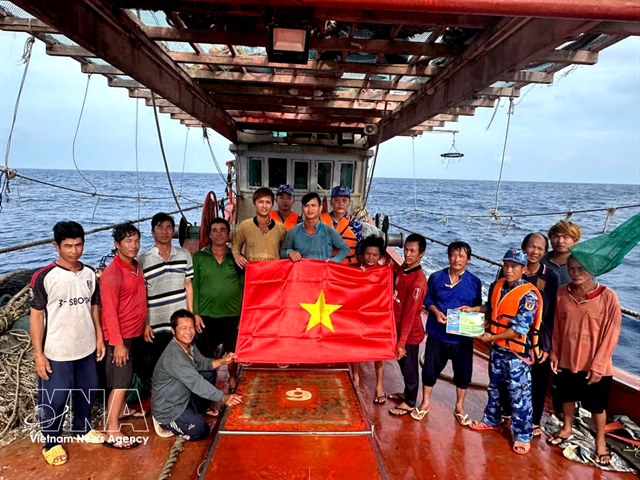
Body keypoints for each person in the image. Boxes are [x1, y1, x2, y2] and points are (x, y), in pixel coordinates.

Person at [30, 221, 106, 466]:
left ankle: (82, 428)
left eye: (79, 245)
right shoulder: (44, 277)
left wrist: (99, 337)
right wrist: (39, 354)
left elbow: (94, 307)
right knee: (55, 398)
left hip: (86, 346)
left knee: (88, 389)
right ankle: (51, 442)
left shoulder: (89, 274)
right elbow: (36, 316)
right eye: (68, 246)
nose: (74, 251)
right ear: (56, 246)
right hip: (57, 349)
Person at [466, 248, 543, 455]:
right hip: (497, 350)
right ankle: (491, 419)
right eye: (506, 265)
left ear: (523, 269)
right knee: (494, 387)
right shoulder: (498, 286)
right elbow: (491, 309)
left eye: (514, 266)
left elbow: (519, 329)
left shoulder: (529, 296)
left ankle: (523, 435)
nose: (509, 270)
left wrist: (491, 337)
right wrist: (474, 310)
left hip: (516, 354)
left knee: (519, 395)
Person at [548, 255, 621, 467]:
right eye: (571, 269)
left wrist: (598, 365)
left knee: (597, 406)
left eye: (581, 269)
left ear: (592, 269)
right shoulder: (562, 293)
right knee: (567, 397)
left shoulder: (608, 297)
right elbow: (556, 327)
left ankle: (600, 442)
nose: (575, 273)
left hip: (595, 364)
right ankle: (567, 428)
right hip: (567, 359)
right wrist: (555, 353)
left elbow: (612, 334)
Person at [498, 233, 561, 435]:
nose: (535, 251)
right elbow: (498, 300)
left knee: (537, 380)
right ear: (524, 247)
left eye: (540, 248)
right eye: (531, 247)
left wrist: (547, 345)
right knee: (507, 373)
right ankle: (506, 411)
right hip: (510, 334)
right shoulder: (509, 271)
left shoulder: (551, 277)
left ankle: (534, 420)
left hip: (536, 337)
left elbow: (551, 315)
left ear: (545, 252)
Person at [413, 241, 482, 423]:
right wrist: (436, 312)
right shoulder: (436, 277)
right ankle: (425, 403)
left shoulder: (475, 282)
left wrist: (472, 309)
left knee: (464, 375)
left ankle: (459, 406)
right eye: (453, 255)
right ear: (448, 256)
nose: (456, 259)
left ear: (468, 260)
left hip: (462, 339)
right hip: (437, 334)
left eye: (461, 256)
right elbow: (427, 299)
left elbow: (480, 306)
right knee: (429, 371)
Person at [151, 310, 242, 440]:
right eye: (183, 328)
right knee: (201, 431)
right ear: (173, 331)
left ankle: (199, 409)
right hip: (169, 408)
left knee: (208, 372)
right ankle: (163, 422)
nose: (188, 332)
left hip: (183, 398)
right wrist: (223, 397)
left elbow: (202, 364)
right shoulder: (175, 357)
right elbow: (196, 383)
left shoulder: (189, 345)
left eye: (191, 327)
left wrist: (223, 360)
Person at [100, 222, 147, 449]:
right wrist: (118, 344)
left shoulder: (136, 266)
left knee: (127, 378)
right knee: (120, 382)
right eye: (128, 241)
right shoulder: (112, 273)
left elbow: (139, 299)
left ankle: (122, 410)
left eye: (136, 241)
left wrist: (145, 325)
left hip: (136, 332)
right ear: (116, 244)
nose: (134, 245)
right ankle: (111, 430)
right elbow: (108, 311)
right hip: (121, 337)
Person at [137, 213, 194, 374]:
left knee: (182, 365)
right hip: (155, 324)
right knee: (157, 368)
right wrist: (145, 324)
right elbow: (141, 295)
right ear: (152, 232)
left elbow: (188, 285)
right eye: (160, 228)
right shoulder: (143, 260)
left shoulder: (184, 255)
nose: (164, 231)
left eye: (169, 227)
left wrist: (190, 315)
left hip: (179, 323)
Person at [193, 218, 243, 392]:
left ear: (228, 235)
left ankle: (232, 377)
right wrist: (195, 314)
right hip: (207, 314)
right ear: (209, 235)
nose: (219, 234)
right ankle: (208, 381)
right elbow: (195, 287)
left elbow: (243, 287)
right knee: (206, 351)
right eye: (214, 230)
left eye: (223, 230)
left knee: (232, 350)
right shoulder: (199, 257)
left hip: (232, 313)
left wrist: (243, 314)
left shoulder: (236, 258)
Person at [388, 234, 427, 417]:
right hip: (397, 327)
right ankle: (407, 393)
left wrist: (402, 343)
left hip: (409, 333)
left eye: (413, 251)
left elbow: (410, 315)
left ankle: (410, 402)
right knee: (403, 365)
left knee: (409, 366)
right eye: (406, 250)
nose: (408, 254)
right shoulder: (403, 269)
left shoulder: (418, 282)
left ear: (421, 254)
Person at [350, 235, 388, 404]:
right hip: (357, 317)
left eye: (375, 255)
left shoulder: (385, 273)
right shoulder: (353, 269)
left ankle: (379, 387)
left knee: (379, 352)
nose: (371, 258)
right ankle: (355, 379)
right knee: (356, 349)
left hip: (377, 318)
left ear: (380, 256)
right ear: (362, 254)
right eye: (368, 254)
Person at [280, 192, 350, 262]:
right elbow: (283, 250)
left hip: (323, 268)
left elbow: (345, 248)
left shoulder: (329, 231)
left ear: (320, 208)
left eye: (313, 205)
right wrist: (290, 252)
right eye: (306, 206)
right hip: (301, 269)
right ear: (302, 209)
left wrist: (334, 260)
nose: (310, 209)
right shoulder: (294, 231)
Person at [232, 187, 287, 268]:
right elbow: (236, 244)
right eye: (260, 202)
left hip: (274, 271)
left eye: (268, 202)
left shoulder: (280, 228)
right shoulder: (245, 225)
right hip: (252, 270)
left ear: (272, 205)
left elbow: (285, 249)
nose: (264, 206)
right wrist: (237, 255)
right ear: (254, 203)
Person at [320, 186, 364, 265]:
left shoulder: (355, 223)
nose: (341, 204)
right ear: (331, 202)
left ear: (349, 203)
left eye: (344, 200)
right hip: (325, 265)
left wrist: (362, 265)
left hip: (348, 267)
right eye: (337, 200)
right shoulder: (319, 221)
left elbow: (360, 249)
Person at [541, 220, 582, 285]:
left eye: (566, 237)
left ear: (575, 240)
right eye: (556, 237)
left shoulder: (582, 263)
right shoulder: (540, 260)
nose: (560, 241)